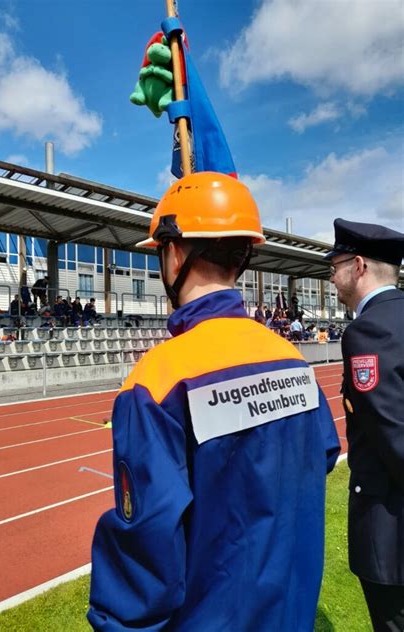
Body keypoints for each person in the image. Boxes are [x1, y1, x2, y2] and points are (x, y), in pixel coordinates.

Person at [88, 172, 340, 631]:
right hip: (291, 612)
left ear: (175, 253)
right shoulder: (291, 359)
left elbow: (145, 548)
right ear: (242, 255)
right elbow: (322, 455)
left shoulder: (158, 379)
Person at [326, 217, 404, 631]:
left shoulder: (368, 331)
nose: (332, 278)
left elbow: (394, 437)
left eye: (334, 267)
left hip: (391, 533)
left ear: (358, 266)